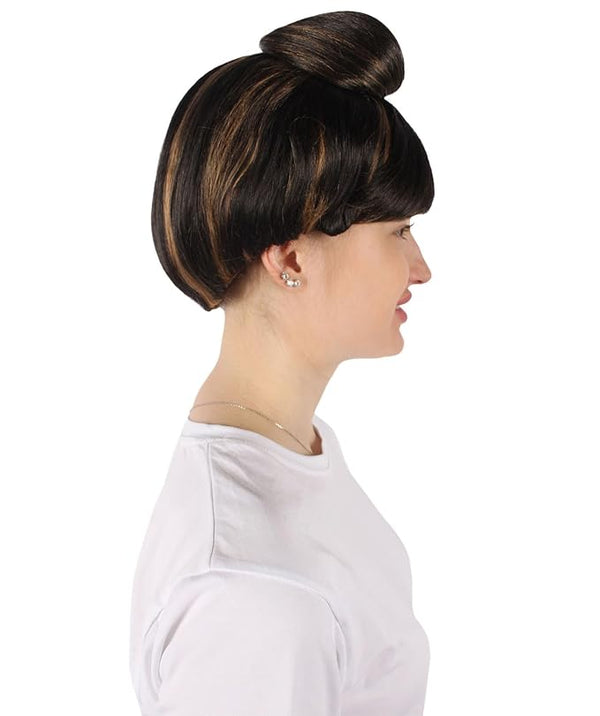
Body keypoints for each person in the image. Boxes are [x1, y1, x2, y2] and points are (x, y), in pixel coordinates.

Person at [129, 10, 434, 715]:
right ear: (291, 258)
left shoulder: (291, 448)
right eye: (398, 231)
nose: (421, 268)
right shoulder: (252, 593)